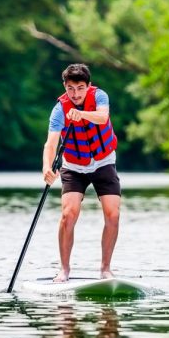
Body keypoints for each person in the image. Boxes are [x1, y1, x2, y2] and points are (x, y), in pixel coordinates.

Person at [42, 64, 121, 282]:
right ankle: (64, 269)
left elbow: (103, 118)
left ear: (88, 86)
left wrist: (82, 114)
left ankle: (105, 269)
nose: (75, 94)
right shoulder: (59, 109)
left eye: (80, 88)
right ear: (65, 87)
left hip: (103, 161)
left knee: (113, 214)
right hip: (74, 166)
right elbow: (51, 143)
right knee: (69, 215)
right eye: (70, 88)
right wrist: (47, 167)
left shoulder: (100, 97)